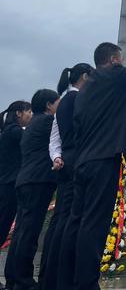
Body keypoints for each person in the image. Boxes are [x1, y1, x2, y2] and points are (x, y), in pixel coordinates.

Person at [58, 43, 126, 290]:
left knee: (76, 221)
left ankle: (67, 281)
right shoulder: (115, 74)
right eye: (121, 58)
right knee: (94, 223)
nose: (123, 61)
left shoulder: (85, 89)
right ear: (113, 59)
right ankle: (87, 284)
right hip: (103, 161)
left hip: (83, 163)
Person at [39, 63, 93, 290]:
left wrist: (57, 157)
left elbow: (55, 138)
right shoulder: (77, 99)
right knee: (70, 220)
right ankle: (63, 279)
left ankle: (49, 278)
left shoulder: (62, 102)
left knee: (60, 220)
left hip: (65, 162)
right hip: (78, 161)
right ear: (84, 76)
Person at [4, 89, 60, 290]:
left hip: (26, 181)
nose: (59, 107)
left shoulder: (33, 125)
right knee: (29, 233)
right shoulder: (47, 122)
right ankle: (24, 280)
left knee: (21, 232)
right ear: (48, 105)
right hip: (38, 181)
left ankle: (13, 277)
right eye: (57, 103)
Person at [0, 101, 32, 290]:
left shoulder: (9, 130)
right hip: (9, 186)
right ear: (18, 113)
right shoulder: (15, 131)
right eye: (28, 111)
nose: (30, 114)